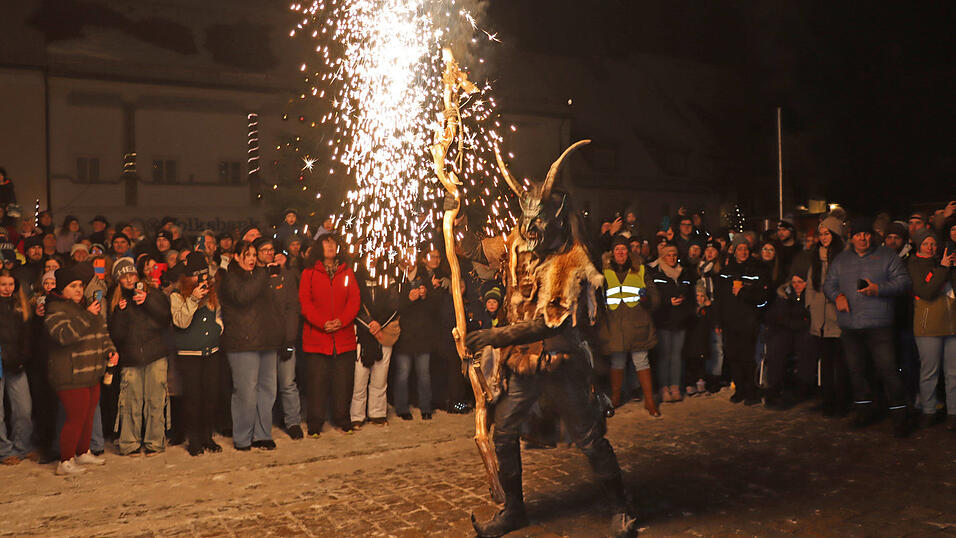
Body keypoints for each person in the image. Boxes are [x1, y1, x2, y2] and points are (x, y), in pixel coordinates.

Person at [466, 141, 636, 537]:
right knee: (504, 433)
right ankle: (515, 511)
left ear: (555, 222)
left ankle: (621, 507)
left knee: (590, 439)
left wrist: (494, 335)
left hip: (561, 363)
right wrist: (455, 212)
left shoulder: (570, 260)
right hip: (522, 363)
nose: (531, 232)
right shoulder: (520, 247)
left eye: (538, 225)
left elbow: (548, 324)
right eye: (527, 226)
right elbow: (478, 249)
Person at [824, 217, 913, 437]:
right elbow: (829, 284)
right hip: (851, 325)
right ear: (851, 237)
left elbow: (903, 282)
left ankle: (900, 417)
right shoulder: (841, 260)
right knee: (857, 372)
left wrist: (879, 289)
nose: (862, 238)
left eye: (866, 234)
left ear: (871, 235)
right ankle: (864, 412)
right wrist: (838, 296)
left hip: (880, 325)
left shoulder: (887, 256)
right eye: (858, 234)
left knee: (888, 370)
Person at [45, 266, 117, 475]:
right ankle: (65, 461)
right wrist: (86, 315)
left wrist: (110, 350)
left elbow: (102, 333)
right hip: (70, 373)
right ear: (62, 289)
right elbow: (64, 336)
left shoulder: (88, 307)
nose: (78, 290)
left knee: (87, 415)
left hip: (91, 371)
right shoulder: (55, 309)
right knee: (75, 418)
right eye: (73, 286)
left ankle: (82, 451)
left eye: (80, 286)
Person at [219, 240, 283, 450]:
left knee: (268, 390)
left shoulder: (262, 276)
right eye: (247, 254)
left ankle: (262, 434)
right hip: (242, 342)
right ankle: (243, 437)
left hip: (266, 340)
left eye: (254, 255)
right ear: (236, 256)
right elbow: (242, 297)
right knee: (246, 392)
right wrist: (264, 275)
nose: (252, 259)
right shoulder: (228, 276)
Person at [107, 258, 172, 455]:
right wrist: (120, 312)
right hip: (131, 358)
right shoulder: (115, 301)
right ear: (118, 280)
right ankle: (129, 443)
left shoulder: (153, 294)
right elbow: (115, 335)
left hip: (155, 355)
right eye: (124, 276)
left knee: (155, 401)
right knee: (130, 403)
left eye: (132, 275)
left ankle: (154, 442)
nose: (129, 279)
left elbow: (164, 319)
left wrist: (148, 301)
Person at [299, 232, 360, 435]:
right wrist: (322, 323)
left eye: (334, 243)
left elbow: (354, 300)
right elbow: (305, 302)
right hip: (317, 338)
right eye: (326, 243)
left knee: (343, 381)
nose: (331, 246)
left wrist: (341, 322)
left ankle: (343, 418)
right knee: (316, 383)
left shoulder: (347, 272)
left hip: (343, 337)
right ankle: (315, 423)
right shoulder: (309, 272)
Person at [597, 235, 661, 417]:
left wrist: (647, 300)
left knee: (641, 361)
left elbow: (654, 296)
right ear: (612, 253)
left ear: (629, 252)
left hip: (637, 324)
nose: (621, 253)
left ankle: (650, 401)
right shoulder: (604, 271)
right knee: (617, 362)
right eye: (617, 249)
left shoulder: (640, 269)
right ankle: (615, 397)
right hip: (614, 325)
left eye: (623, 249)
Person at [171, 253, 224, 455]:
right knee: (193, 397)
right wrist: (193, 298)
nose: (200, 279)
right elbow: (180, 321)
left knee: (210, 396)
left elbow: (217, 313)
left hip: (211, 351)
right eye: (196, 275)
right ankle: (193, 440)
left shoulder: (212, 291)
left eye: (203, 275)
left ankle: (206, 437)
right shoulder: (177, 294)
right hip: (189, 353)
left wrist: (218, 328)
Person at [252, 237, 303, 439]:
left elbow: (292, 307)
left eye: (271, 249)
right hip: (263, 340)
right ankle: (263, 424)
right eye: (263, 250)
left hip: (284, 338)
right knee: (265, 385)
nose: (268, 253)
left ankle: (293, 422)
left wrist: (290, 339)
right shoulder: (254, 276)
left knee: (288, 382)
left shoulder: (285, 275)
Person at [907, 228, 956, 430]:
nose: (930, 247)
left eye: (933, 244)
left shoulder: (944, 262)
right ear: (919, 245)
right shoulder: (914, 264)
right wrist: (944, 269)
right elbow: (925, 291)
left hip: (952, 325)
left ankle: (953, 412)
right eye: (926, 243)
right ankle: (929, 410)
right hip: (928, 327)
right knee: (930, 372)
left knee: (953, 373)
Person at [716, 235, 769, 405]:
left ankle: (752, 391)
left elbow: (763, 297)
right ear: (734, 251)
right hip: (730, 322)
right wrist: (719, 321)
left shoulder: (757, 269)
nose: (743, 252)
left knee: (748, 357)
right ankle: (740, 389)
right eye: (740, 248)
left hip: (749, 321)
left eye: (745, 248)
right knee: (733, 356)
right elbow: (720, 299)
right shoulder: (726, 272)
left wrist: (744, 293)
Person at [351, 263, 400, 427]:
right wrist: (370, 324)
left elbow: (394, 305)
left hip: (384, 333)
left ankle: (377, 413)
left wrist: (380, 325)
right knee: (360, 376)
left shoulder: (388, 277)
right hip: (363, 335)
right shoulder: (356, 278)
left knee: (380, 375)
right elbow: (354, 305)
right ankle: (356, 415)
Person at [392, 258, 437, 421]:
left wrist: (425, 296)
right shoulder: (396, 277)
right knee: (403, 373)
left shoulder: (424, 276)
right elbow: (393, 306)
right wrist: (408, 300)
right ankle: (402, 407)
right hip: (404, 334)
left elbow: (434, 307)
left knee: (424, 373)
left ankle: (426, 407)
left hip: (423, 333)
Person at [650, 243, 695, 402]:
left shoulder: (684, 273)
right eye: (668, 254)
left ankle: (675, 386)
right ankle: (664, 387)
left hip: (680, 320)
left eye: (674, 255)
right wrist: (667, 301)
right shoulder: (656, 273)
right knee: (665, 356)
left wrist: (684, 300)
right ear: (663, 256)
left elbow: (690, 293)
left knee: (677, 356)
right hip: (664, 320)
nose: (672, 258)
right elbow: (654, 296)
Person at [0, 270, 36, 464]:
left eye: (10, 284)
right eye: (3, 284)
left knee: (23, 408)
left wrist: (23, 356)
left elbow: (27, 336)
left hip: (17, 363)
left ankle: (22, 446)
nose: (7, 288)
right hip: (0, 362)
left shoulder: (20, 306)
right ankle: (5, 451)